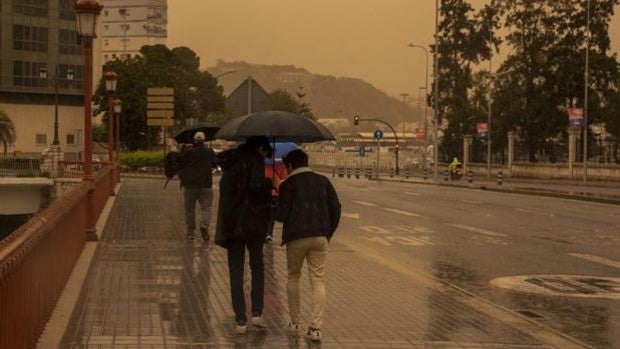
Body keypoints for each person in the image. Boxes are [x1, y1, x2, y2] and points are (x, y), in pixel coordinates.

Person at [275, 149, 341, 342]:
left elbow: (280, 215)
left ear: (289, 166)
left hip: (296, 237)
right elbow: (336, 208)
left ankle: (295, 322)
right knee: (318, 279)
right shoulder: (323, 181)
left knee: (294, 276)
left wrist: (276, 196)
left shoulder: (288, 184)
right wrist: (327, 232)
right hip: (320, 236)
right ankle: (316, 328)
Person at [214, 136, 273, 335]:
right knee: (257, 267)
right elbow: (256, 187)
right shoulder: (255, 159)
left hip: (232, 224)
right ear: (260, 148)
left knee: (236, 271)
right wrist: (268, 183)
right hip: (253, 223)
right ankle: (256, 314)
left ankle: (240, 319)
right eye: (265, 152)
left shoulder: (229, 162)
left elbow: (225, 192)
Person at [178, 132, 216, 241]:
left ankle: (190, 232)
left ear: (194, 141)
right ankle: (204, 225)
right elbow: (215, 164)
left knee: (189, 209)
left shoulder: (187, 152)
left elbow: (180, 163)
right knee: (206, 207)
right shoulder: (209, 152)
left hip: (190, 185)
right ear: (204, 141)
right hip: (206, 185)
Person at [264, 161, 288, 243]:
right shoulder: (280, 164)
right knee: (272, 215)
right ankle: (268, 234)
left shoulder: (262, 163)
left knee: (263, 213)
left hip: (263, 192)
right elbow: (283, 177)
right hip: (275, 193)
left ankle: (263, 232)